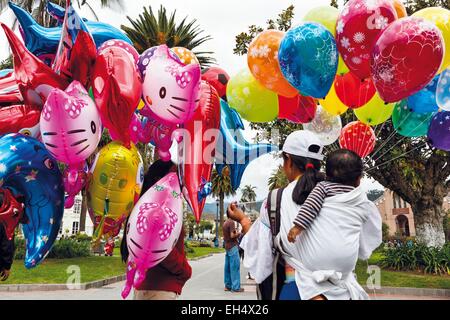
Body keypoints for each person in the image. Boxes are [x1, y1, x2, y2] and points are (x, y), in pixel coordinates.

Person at [228, 130, 326, 300]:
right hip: (336, 290)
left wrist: (243, 220)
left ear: (288, 160)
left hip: (294, 291)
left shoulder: (276, 200)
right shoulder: (339, 194)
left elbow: (262, 256)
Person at [121, 160, 192, 300]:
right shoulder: (158, 209)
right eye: (175, 176)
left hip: (146, 288)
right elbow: (159, 248)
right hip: (160, 290)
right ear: (160, 180)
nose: (179, 182)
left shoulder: (145, 205)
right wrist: (185, 270)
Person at [287, 149, 366, 242]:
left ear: (327, 174)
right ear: (358, 180)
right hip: (348, 240)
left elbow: (311, 205)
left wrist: (298, 226)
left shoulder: (323, 187)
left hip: (327, 237)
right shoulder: (358, 194)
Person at [223, 212, 244, 293]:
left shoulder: (225, 223)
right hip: (233, 246)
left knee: (227, 268)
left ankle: (227, 285)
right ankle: (236, 287)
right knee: (235, 267)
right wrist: (239, 233)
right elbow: (232, 235)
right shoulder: (231, 222)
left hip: (227, 247)